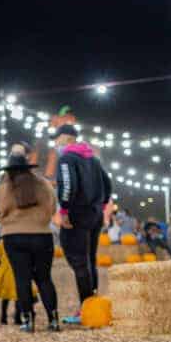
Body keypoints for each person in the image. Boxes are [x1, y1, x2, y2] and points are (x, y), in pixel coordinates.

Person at [0, 154, 60, 332]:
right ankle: (53, 320)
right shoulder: (44, 184)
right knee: (44, 278)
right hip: (42, 235)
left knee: (22, 279)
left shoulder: (4, 188)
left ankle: (28, 321)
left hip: (14, 237)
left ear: (9, 171)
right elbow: (53, 209)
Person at [52, 124, 111, 325]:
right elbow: (107, 183)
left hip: (77, 214)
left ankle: (87, 309)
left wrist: (64, 210)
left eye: (57, 139)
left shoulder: (67, 158)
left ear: (67, 138)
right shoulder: (93, 159)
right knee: (90, 260)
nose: (56, 143)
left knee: (78, 261)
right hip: (95, 214)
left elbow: (68, 185)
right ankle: (93, 305)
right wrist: (102, 204)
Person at [0, 239, 22, 326]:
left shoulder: (2, 243)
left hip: (5, 272)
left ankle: (3, 317)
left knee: (5, 297)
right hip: (17, 271)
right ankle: (17, 317)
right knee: (18, 295)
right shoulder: (18, 241)